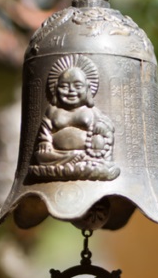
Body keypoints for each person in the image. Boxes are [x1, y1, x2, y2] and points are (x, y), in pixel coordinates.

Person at [27, 54, 119, 182]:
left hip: (86, 155)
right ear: (56, 88)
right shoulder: (52, 111)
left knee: (96, 159)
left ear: (87, 88)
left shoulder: (92, 112)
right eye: (64, 87)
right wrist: (45, 143)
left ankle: (84, 162)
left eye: (78, 86)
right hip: (57, 157)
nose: (71, 91)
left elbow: (107, 127)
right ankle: (75, 164)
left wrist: (101, 130)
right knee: (41, 157)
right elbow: (45, 131)